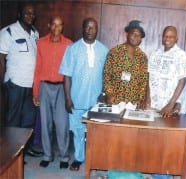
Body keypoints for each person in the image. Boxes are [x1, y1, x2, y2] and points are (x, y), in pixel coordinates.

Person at [59, 17, 108, 171]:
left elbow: (108, 75)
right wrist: (67, 98)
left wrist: (105, 93)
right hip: (77, 98)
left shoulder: (104, 50)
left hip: (97, 100)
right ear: (83, 28)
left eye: (93, 28)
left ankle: (96, 159)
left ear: (97, 30)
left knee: (97, 132)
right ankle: (79, 159)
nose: (90, 31)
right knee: (78, 131)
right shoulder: (72, 49)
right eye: (87, 27)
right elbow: (66, 75)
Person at [0, 2, 42, 157]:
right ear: (19, 14)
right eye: (27, 13)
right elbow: (1, 58)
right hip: (15, 84)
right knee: (13, 121)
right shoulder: (8, 32)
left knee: (28, 120)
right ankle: (11, 154)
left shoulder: (35, 33)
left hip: (30, 85)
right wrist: (4, 83)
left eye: (32, 13)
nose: (30, 16)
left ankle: (25, 149)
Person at [32, 16, 72, 169]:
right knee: (45, 123)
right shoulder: (41, 43)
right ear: (49, 25)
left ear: (63, 27)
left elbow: (71, 72)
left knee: (62, 124)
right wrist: (35, 93)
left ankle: (64, 156)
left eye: (59, 25)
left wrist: (70, 94)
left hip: (62, 87)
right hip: (44, 87)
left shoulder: (69, 44)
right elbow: (37, 69)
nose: (56, 28)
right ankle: (47, 155)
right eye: (53, 25)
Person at [147, 26, 186, 117]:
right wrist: (147, 98)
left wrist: (171, 104)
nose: (167, 39)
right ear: (162, 37)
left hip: (167, 108)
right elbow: (149, 77)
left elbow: (182, 82)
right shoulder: (155, 54)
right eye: (165, 36)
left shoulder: (181, 56)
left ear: (176, 39)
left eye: (171, 37)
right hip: (151, 106)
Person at [103, 20, 148, 106]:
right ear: (127, 34)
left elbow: (143, 81)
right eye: (133, 33)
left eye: (139, 35)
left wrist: (140, 99)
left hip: (133, 104)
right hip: (115, 101)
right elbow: (106, 75)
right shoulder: (114, 52)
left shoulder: (143, 57)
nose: (136, 37)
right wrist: (109, 94)